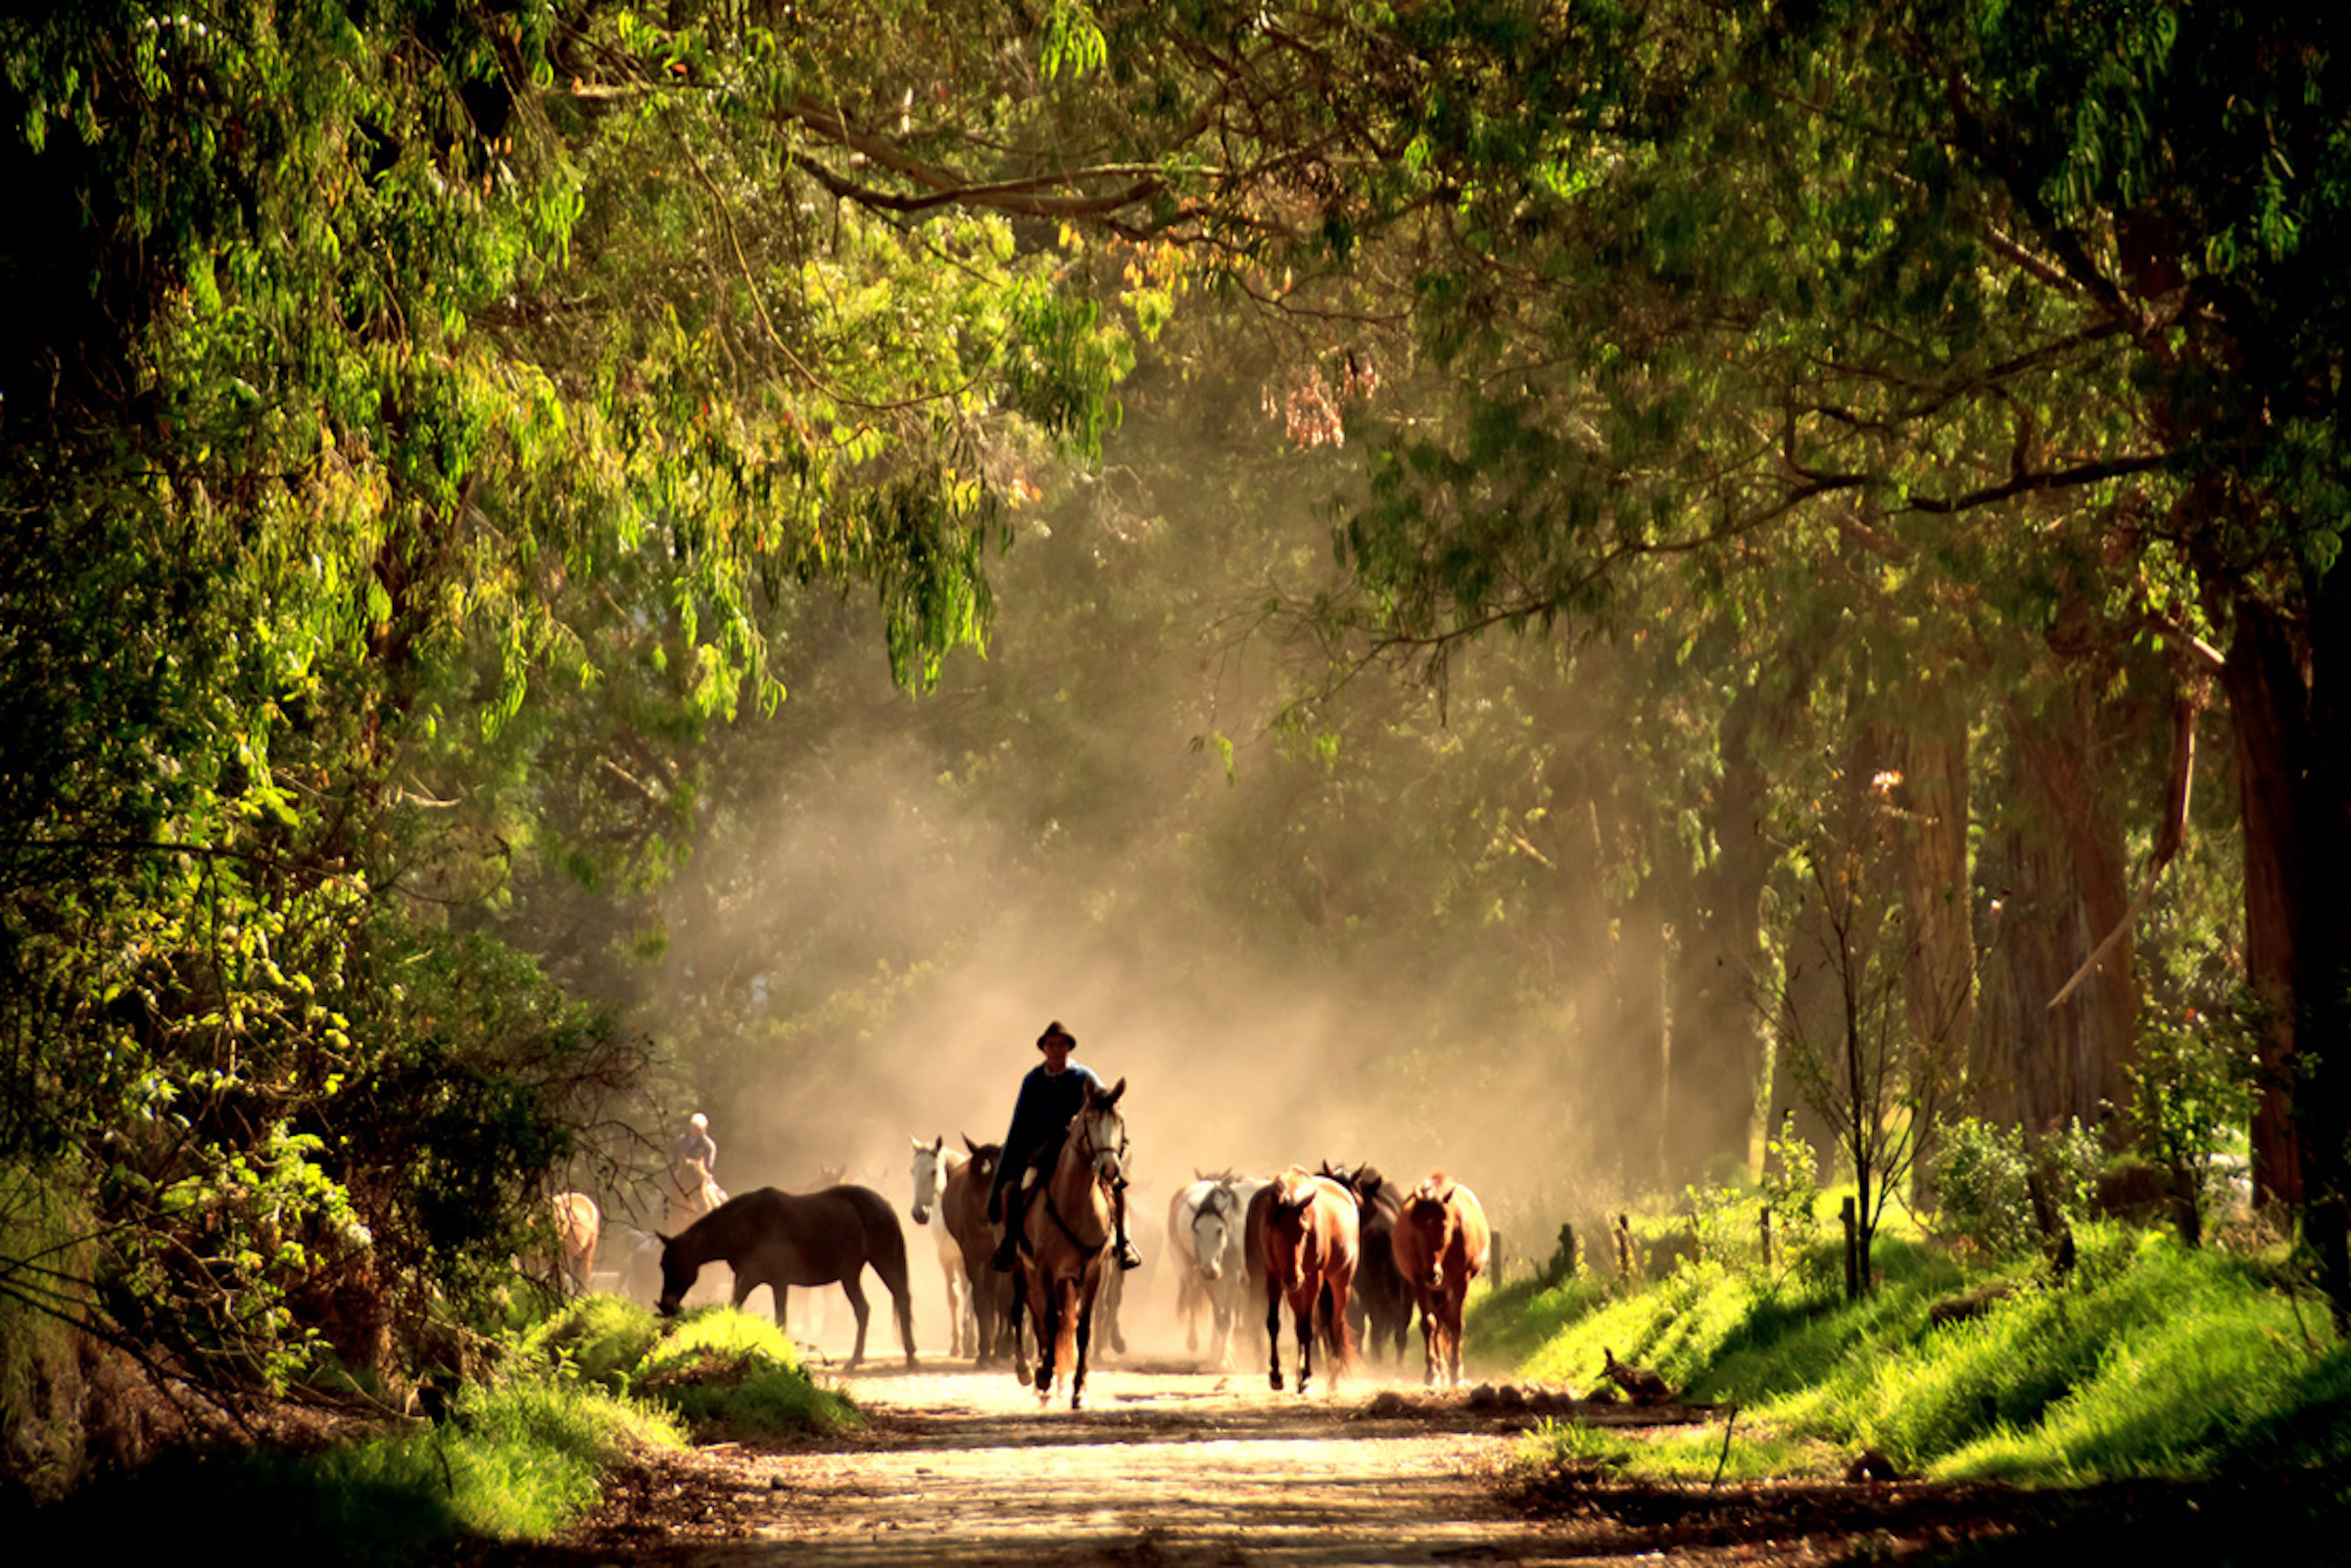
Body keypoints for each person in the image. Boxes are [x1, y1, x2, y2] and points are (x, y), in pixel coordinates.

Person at [988, 1021, 1142, 1272]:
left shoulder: (1083, 1077)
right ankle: (1010, 1245)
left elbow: (1105, 1105)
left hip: (1080, 1152)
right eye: (1051, 1045)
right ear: (1044, 1049)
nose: (1056, 1049)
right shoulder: (1033, 1081)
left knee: (1115, 1184)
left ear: (1068, 1048)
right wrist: (1019, 1152)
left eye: (1061, 1044)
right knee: (1013, 1188)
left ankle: (1122, 1242)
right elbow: (1021, 1122)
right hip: (1041, 1153)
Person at [670, 1111, 717, 1179]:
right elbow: (674, 1161)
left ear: (704, 1129)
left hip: (700, 1177)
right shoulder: (680, 1142)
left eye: (698, 1128)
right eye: (693, 1126)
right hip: (681, 1176)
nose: (695, 1129)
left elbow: (708, 1167)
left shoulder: (708, 1145)